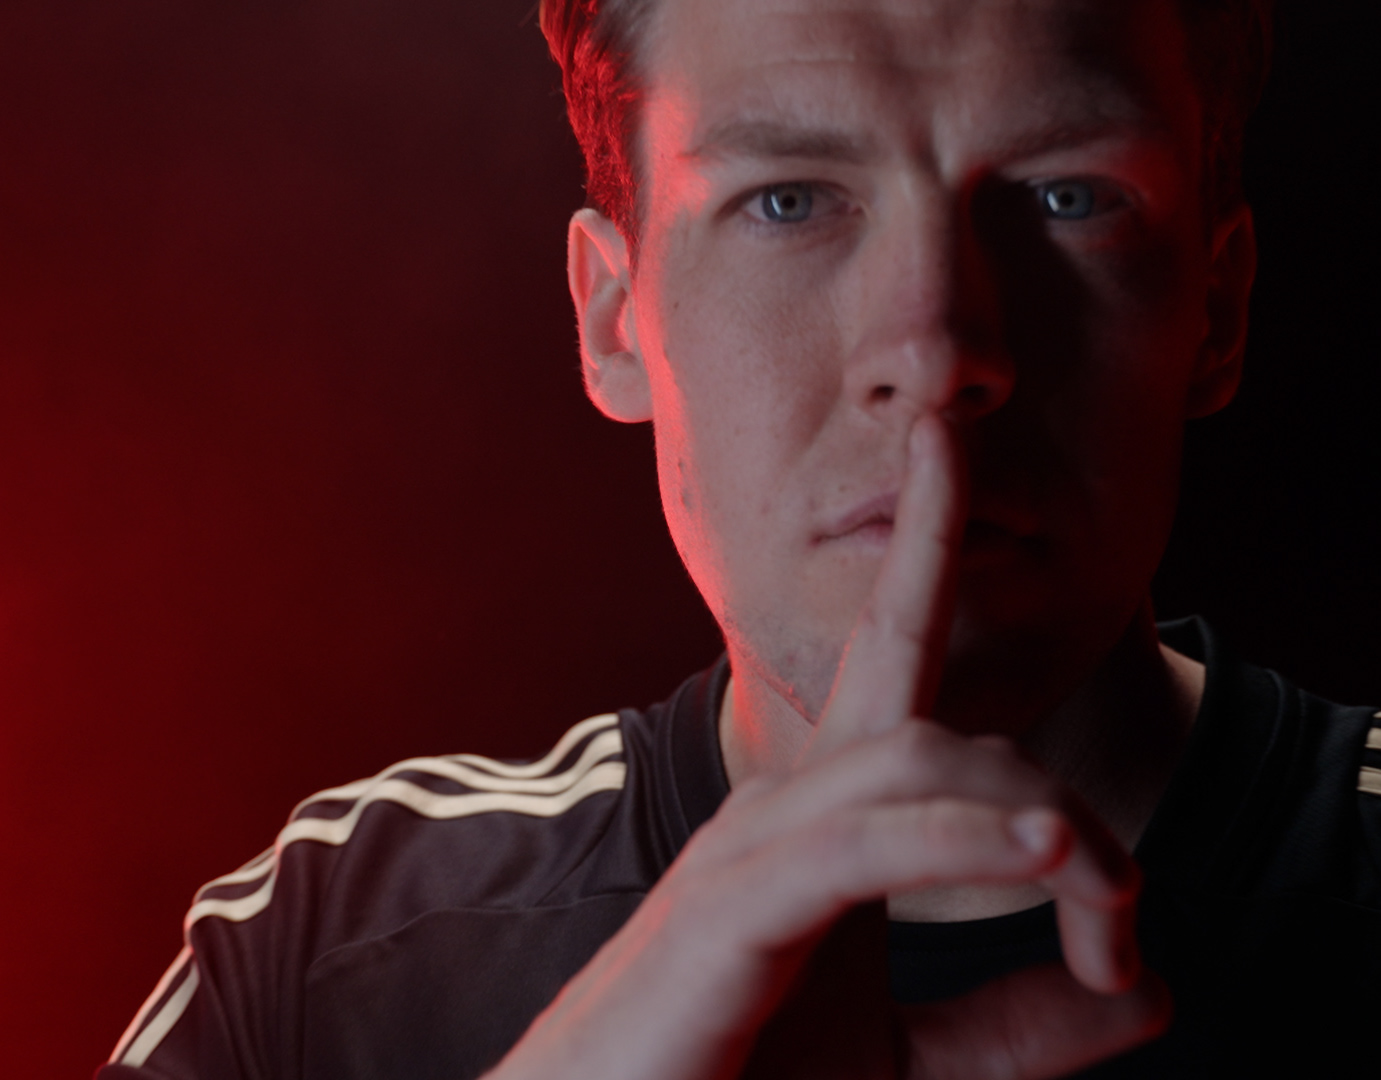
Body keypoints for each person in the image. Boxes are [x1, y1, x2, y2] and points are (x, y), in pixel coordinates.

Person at [99, 0, 1381, 1077]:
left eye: (1067, 196)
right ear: (615, 319)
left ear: (1216, 307)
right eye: (788, 201)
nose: (934, 351)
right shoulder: (323, 950)